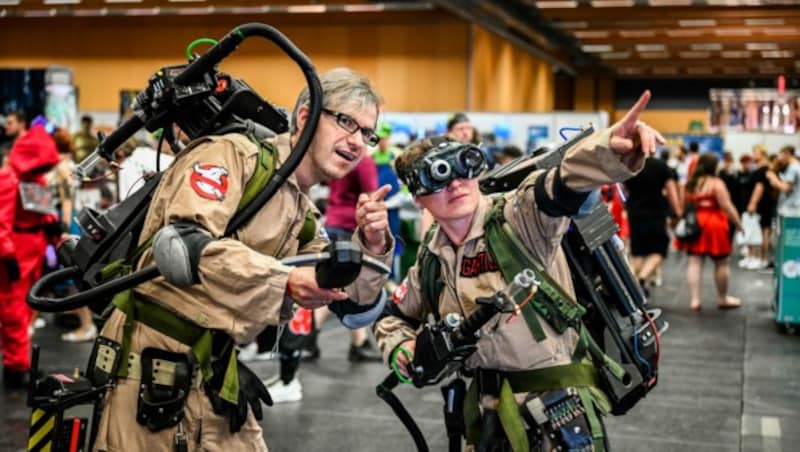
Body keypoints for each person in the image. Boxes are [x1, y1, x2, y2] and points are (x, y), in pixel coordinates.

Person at [92, 67, 393, 451]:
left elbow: (353, 304)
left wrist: (371, 244)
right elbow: (184, 244)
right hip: (145, 372)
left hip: (213, 369)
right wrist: (282, 280)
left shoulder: (300, 211)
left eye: (367, 134)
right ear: (305, 117)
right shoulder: (233, 155)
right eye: (347, 122)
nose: (357, 142)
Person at [375, 91, 662, 451]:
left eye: (463, 167)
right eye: (437, 179)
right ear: (417, 197)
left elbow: (563, 183)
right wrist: (406, 351)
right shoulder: (432, 257)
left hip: (555, 414)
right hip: (486, 419)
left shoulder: (517, 217)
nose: (456, 184)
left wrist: (606, 151)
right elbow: (393, 317)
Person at [0, 124, 61, 389]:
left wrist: (52, 227)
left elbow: (44, 211)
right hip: (17, 250)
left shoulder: (35, 179)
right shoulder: (8, 179)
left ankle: (19, 362)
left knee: (24, 310)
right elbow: (1, 221)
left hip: (33, 249)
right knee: (13, 310)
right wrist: (7, 254)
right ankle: (17, 366)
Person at [675, 153, 743, 311]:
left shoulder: (691, 183)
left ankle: (695, 300)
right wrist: (738, 223)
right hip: (715, 225)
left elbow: (684, 205)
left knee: (694, 262)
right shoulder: (716, 183)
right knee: (721, 263)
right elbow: (727, 206)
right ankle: (723, 298)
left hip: (695, 224)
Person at [624, 153, 681, 293]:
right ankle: (642, 278)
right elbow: (671, 191)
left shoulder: (630, 165)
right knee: (659, 250)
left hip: (635, 213)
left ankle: (632, 285)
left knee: (637, 252)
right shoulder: (661, 166)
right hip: (656, 213)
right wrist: (678, 213)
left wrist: (627, 206)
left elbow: (623, 190)